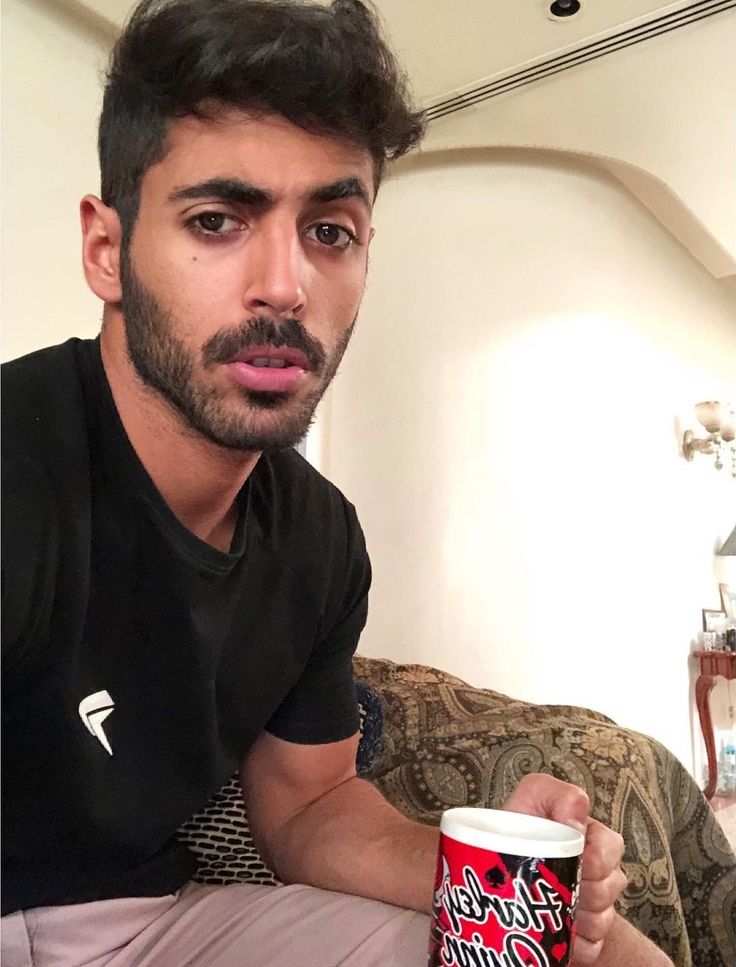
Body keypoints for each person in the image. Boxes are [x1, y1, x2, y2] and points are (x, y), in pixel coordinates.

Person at [1, 1, 671, 964]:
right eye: (218, 220)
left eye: (330, 230)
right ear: (107, 249)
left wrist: (477, 863)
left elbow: (306, 806)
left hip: (151, 923)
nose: (285, 284)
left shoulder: (318, 537)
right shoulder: (18, 468)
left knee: (597, 952)